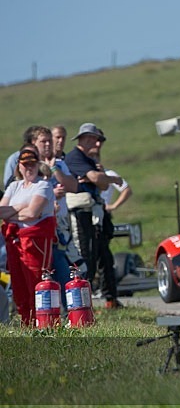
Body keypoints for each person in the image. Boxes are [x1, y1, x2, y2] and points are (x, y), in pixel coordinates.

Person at [64, 123, 124, 309]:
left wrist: (98, 178)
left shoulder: (88, 160)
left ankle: (104, 299)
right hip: (81, 211)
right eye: (95, 139)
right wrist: (111, 178)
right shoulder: (76, 157)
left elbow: (102, 186)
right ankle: (81, 302)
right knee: (85, 255)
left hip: (91, 210)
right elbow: (100, 180)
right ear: (86, 138)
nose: (97, 144)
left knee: (99, 255)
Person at [0, 147, 56, 326]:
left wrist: (14, 213)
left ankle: (43, 322)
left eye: (32, 164)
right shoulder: (14, 186)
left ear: (38, 165)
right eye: (25, 165)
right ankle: (27, 322)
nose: (29, 168)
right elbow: (2, 211)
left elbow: (33, 213)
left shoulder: (43, 185)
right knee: (19, 285)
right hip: (15, 241)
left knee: (36, 281)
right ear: (19, 167)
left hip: (35, 241)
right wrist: (21, 206)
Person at [32, 126, 79, 317]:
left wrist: (54, 169)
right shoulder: (30, 165)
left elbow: (73, 186)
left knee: (64, 268)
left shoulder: (58, 163)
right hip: (40, 227)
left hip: (60, 227)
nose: (49, 145)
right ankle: (46, 315)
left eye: (50, 141)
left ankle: (69, 314)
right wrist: (51, 196)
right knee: (46, 271)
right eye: (44, 141)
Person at [87, 142, 133, 301]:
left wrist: (113, 206)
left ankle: (108, 293)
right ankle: (90, 288)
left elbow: (127, 189)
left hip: (103, 214)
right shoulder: (84, 175)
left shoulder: (108, 174)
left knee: (104, 255)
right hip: (87, 215)